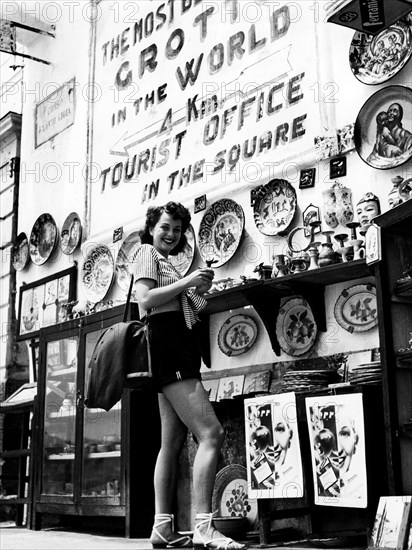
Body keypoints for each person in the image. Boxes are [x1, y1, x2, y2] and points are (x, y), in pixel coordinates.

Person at [133, 201, 246, 550]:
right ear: (152, 227)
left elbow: (191, 307)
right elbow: (146, 299)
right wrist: (186, 282)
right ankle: (203, 527)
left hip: (173, 343)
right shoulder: (146, 252)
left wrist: (198, 288)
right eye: (165, 226)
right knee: (211, 433)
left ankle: (162, 526)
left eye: (178, 229)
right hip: (169, 343)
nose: (171, 233)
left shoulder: (167, 262)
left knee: (172, 442)